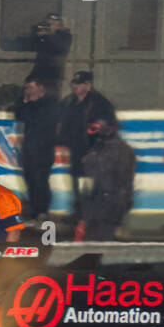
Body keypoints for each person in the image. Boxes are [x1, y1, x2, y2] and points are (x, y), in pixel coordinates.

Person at [57, 71, 116, 220]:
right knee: (76, 181)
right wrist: (62, 140)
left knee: (94, 181)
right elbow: (61, 122)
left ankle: (94, 214)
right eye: (74, 83)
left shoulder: (100, 103)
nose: (75, 86)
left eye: (79, 84)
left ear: (89, 85)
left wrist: (96, 141)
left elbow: (108, 124)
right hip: (76, 149)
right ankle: (79, 214)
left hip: (94, 150)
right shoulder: (69, 102)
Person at [80, 116, 136, 241]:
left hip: (106, 206)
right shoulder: (121, 150)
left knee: (99, 238)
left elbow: (124, 183)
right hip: (103, 206)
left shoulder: (97, 150)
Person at [17, 77, 59, 224]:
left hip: (44, 149)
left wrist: (32, 103)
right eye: (27, 88)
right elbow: (19, 116)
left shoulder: (50, 102)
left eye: (32, 87)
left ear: (41, 88)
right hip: (29, 148)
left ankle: (42, 212)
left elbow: (43, 120)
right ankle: (34, 213)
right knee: (30, 181)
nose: (29, 91)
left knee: (41, 180)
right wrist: (25, 102)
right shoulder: (28, 103)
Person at [28, 12, 72, 91]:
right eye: (50, 22)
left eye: (55, 22)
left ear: (60, 23)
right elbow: (32, 42)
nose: (52, 24)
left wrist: (51, 34)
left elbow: (60, 48)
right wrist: (39, 32)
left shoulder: (66, 35)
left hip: (54, 74)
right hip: (39, 72)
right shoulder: (45, 35)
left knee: (50, 94)